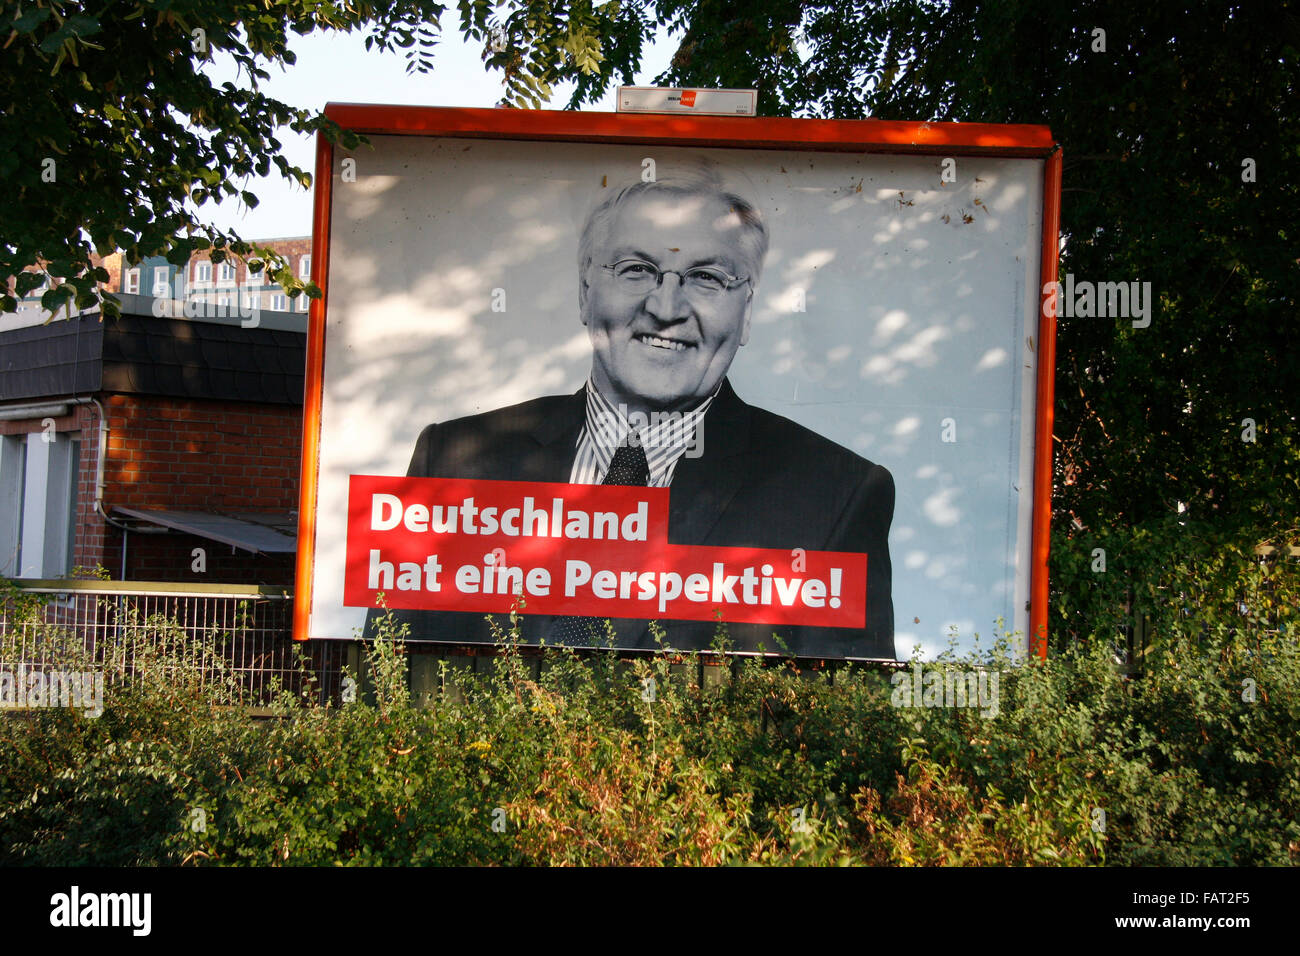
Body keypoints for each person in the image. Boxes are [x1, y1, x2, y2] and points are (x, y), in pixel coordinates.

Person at [372, 162, 896, 659]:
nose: (666, 309)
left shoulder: (836, 495)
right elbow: (386, 683)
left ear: (748, 310)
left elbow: (843, 722)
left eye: (708, 277)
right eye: (636, 269)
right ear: (585, 292)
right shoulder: (454, 458)